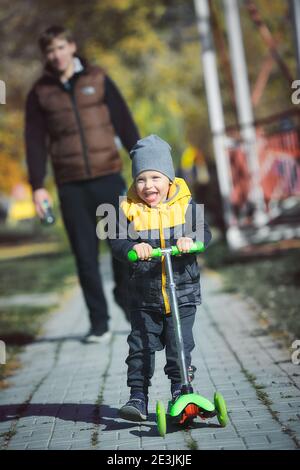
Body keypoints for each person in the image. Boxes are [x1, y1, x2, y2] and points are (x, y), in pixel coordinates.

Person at [24, 25, 140, 343]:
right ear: (45, 55)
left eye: (61, 47)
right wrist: (37, 185)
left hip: (108, 178)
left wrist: (144, 164)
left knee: (123, 250)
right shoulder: (40, 93)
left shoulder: (98, 78)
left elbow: (124, 122)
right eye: (50, 51)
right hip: (71, 185)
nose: (56, 55)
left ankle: (126, 300)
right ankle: (98, 323)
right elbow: (34, 140)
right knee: (85, 257)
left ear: (72, 47)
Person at [109, 135, 212, 421]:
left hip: (183, 292)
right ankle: (138, 396)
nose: (148, 186)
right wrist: (133, 247)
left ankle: (181, 391)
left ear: (169, 179)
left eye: (155, 177)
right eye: (141, 179)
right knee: (140, 346)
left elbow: (205, 232)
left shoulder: (186, 204)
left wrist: (191, 241)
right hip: (145, 295)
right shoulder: (127, 209)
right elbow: (116, 241)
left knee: (180, 345)